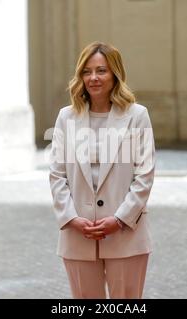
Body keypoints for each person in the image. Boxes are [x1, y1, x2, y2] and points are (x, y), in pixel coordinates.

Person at [49, 41, 155, 299]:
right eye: (87, 71)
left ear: (115, 74)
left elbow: (145, 175)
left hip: (126, 234)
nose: (93, 78)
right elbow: (56, 174)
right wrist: (71, 218)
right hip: (78, 234)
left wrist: (119, 220)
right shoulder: (66, 117)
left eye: (101, 70)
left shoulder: (137, 115)